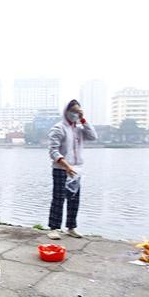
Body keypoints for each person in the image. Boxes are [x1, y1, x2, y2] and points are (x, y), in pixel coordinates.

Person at [47, 99, 97, 239]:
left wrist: (83, 119)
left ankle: (71, 227)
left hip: (76, 169)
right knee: (58, 198)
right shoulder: (59, 128)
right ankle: (54, 228)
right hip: (61, 168)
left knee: (74, 198)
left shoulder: (79, 129)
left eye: (78, 111)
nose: (75, 114)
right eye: (73, 111)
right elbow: (53, 151)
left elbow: (93, 136)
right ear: (66, 112)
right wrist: (66, 165)